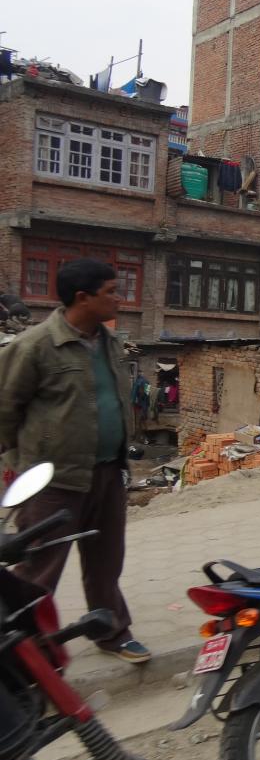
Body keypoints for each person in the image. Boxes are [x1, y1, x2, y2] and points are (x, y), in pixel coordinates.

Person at [0, 259, 150, 663]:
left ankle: (113, 632)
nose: (119, 298)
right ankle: (24, 656)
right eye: (111, 292)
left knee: (105, 563)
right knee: (38, 570)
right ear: (82, 298)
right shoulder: (33, 347)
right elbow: (5, 411)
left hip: (108, 473)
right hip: (52, 480)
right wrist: (16, 470)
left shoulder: (112, 344)